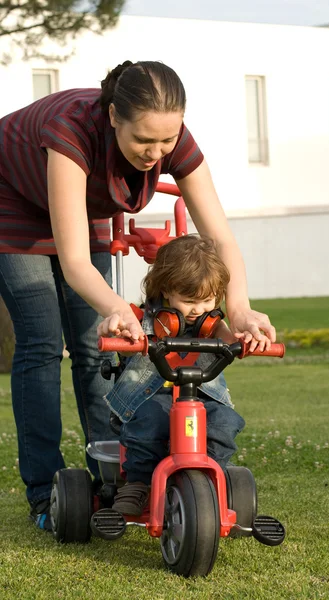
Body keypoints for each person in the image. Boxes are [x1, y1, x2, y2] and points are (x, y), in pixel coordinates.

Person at [0, 60, 275, 531]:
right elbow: (75, 263)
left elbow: (221, 238)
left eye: (166, 141)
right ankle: (45, 493)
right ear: (112, 118)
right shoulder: (71, 133)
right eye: (143, 141)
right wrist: (115, 308)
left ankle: (114, 478)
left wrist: (241, 309)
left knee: (97, 348)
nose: (156, 152)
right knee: (44, 343)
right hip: (13, 199)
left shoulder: (174, 141)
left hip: (80, 208)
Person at [105, 234, 245, 515]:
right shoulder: (140, 319)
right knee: (149, 424)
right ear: (167, 290)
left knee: (224, 422)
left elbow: (231, 340)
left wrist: (246, 341)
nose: (199, 310)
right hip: (150, 398)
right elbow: (125, 334)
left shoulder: (211, 324)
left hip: (202, 397)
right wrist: (121, 333)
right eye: (190, 301)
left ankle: (210, 478)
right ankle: (138, 483)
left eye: (208, 301)